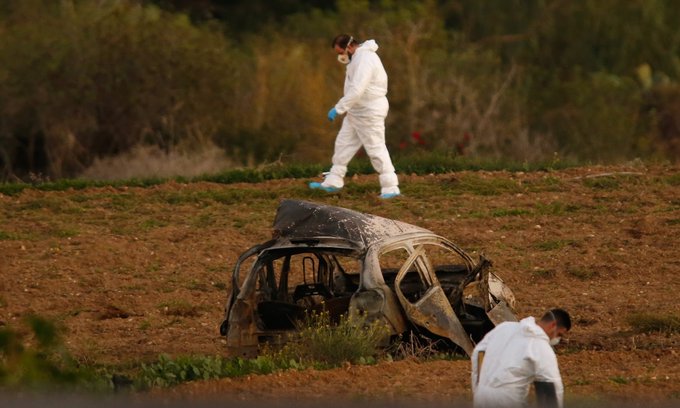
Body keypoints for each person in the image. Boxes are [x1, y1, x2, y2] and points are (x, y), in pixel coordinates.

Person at [309, 34, 400, 199]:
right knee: (343, 143)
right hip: (357, 111)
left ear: (349, 47)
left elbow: (358, 89)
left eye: (341, 52)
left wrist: (339, 108)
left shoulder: (365, 59)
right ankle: (333, 181)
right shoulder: (357, 59)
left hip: (369, 111)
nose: (341, 56)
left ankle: (390, 186)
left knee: (375, 147)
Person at [471, 308, 572, 408]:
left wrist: (478, 387)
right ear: (553, 325)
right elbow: (553, 386)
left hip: (482, 397)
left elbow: (478, 353)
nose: (557, 339)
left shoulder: (504, 327)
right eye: (559, 334)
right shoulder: (541, 348)